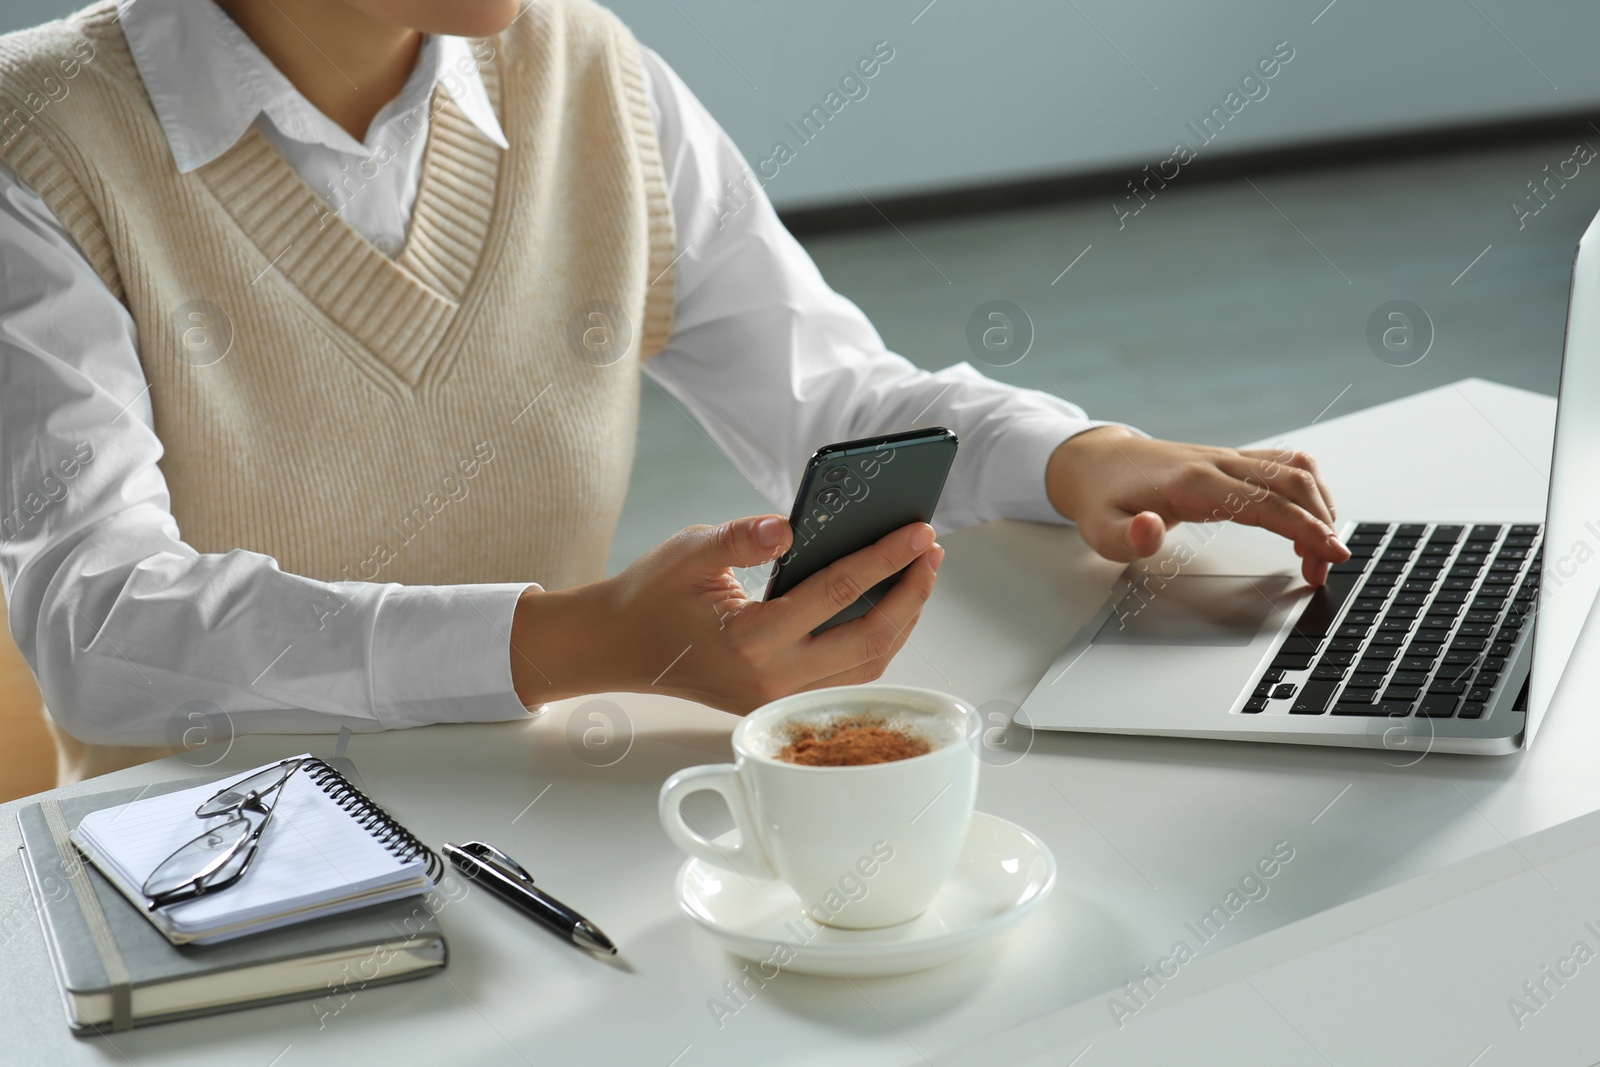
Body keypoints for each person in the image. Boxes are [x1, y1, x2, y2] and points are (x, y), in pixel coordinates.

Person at [0, 0, 1347, 780]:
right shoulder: (40, 141)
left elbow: (825, 398)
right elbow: (99, 623)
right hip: (204, 886)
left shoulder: (588, 70)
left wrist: (1074, 454)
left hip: (529, 818)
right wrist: (577, 641)